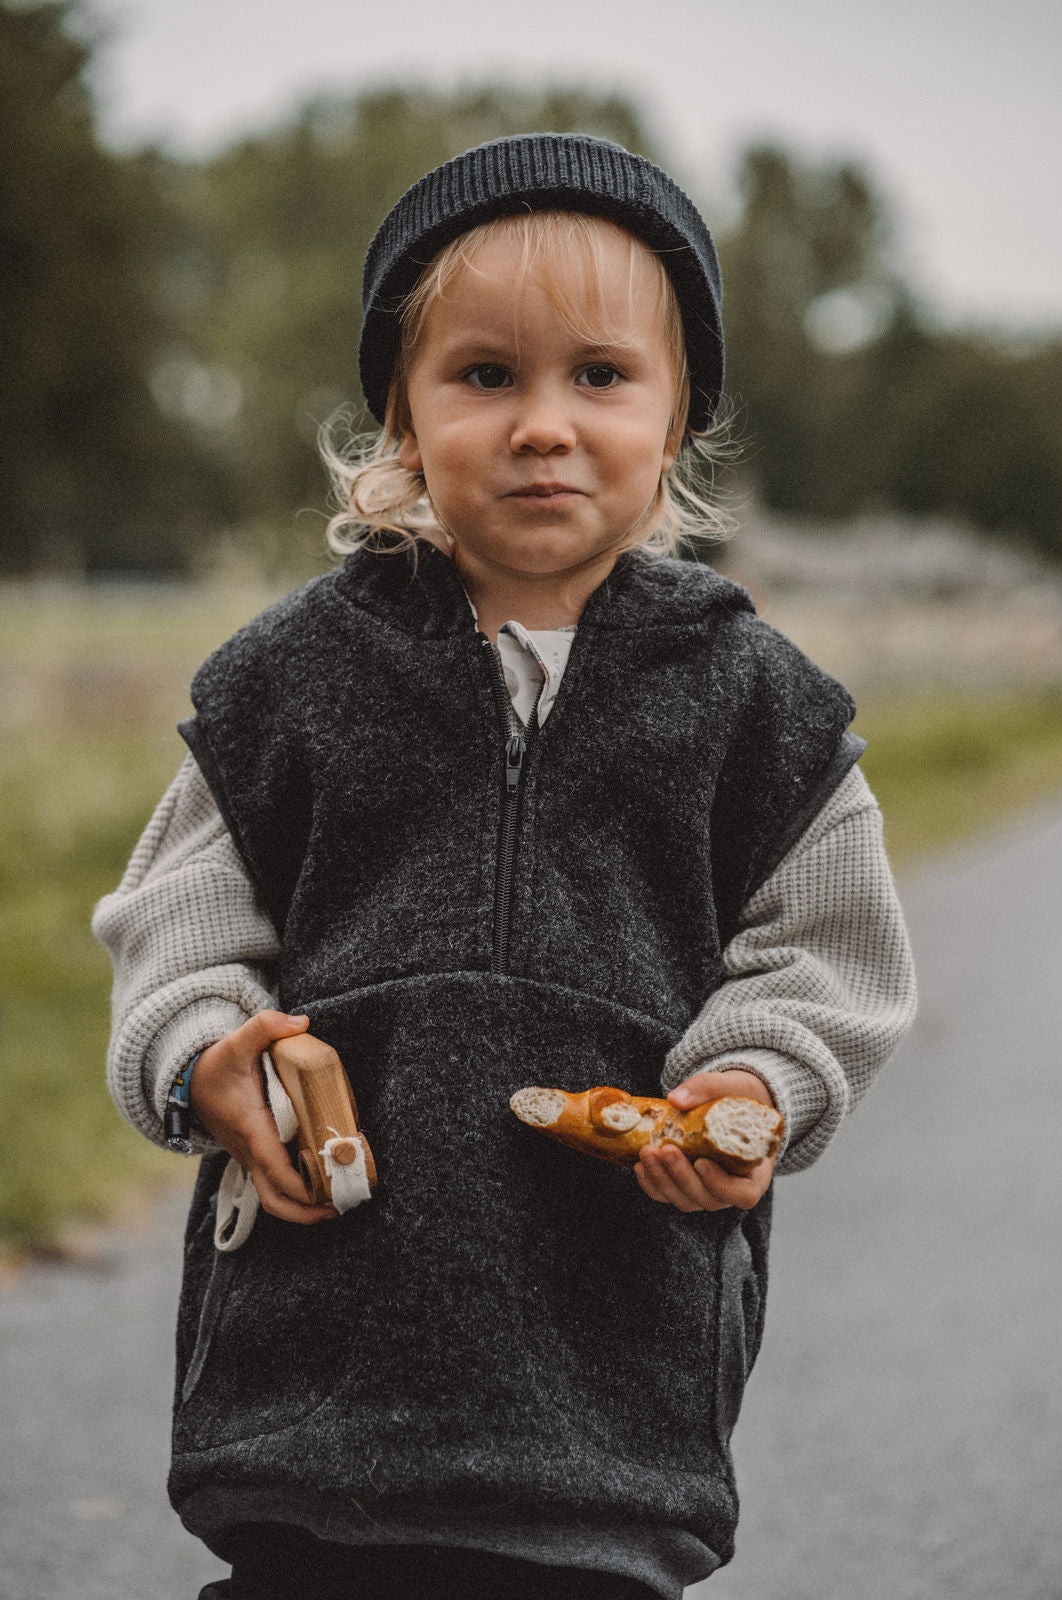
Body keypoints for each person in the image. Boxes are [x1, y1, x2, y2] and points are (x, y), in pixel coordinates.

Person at [93, 133, 917, 1600]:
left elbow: (828, 952)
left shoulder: (758, 707)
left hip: (610, 1372)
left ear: (678, 424)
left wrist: (753, 1087)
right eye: (485, 376)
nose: (545, 424)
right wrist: (204, 1057)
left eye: (601, 376)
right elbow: (180, 916)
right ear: (402, 423)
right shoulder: (288, 681)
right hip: (315, 1340)